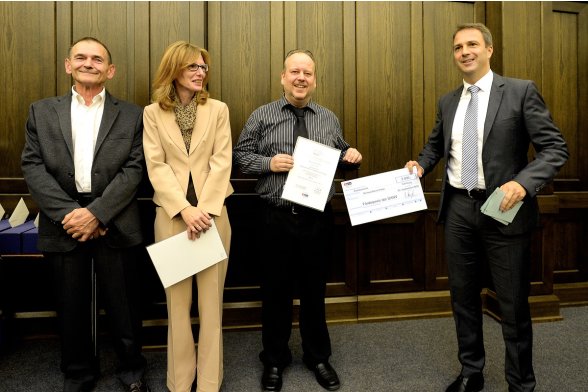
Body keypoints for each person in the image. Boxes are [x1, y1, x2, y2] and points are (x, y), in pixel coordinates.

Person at [405, 23, 568, 392]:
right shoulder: (448, 101)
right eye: (458, 46)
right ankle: (471, 372)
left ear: (489, 49)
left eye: (472, 44)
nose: (464, 51)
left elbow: (555, 148)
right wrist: (419, 164)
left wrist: (523, 183)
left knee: (512, 305)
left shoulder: (521, 92)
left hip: (503, 209)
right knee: (462, 297)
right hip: (459, 210)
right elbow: (434, 147)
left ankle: (520, 383)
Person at [21, 37, 149, 392]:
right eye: (81, 57)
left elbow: (135, 169)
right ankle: (78, 373)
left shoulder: (133, 114)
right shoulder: (41, 111)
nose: (88, 63)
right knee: (70, 301)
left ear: (110, 70)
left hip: (115, 216)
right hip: (63, 217)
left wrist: (97, 213)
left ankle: (132, 371)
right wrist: (72, 214)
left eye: (97, 59)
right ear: (68, 65)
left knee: (124, 302)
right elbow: (32, 166)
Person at [233, 49, 362, 392]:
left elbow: (341, 154)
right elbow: (241, 156)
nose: (301, 77)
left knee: (314, 292)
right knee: (275, 292)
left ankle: (317, 357)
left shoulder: (328, 118)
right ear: (283, 77)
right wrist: (268, 164)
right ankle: (274, 360)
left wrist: (352, 154)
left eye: (307, 72)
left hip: (317, 220)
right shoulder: (262, 115)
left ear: (314, 80)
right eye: (295, 72)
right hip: (273, 219)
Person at [143, 41, 233, 392]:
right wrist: (184, 208)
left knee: (212, 307)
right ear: (174, 70)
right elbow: (156, 165)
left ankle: (210, 383)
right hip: (171, 218)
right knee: (177, 308)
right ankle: (181, 383)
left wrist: (205, 210)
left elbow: (222, 161)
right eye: (193, 66)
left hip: (214, 218)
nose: (200, 72)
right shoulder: (152, 113)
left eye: (203, 67)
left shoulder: (219, 110)